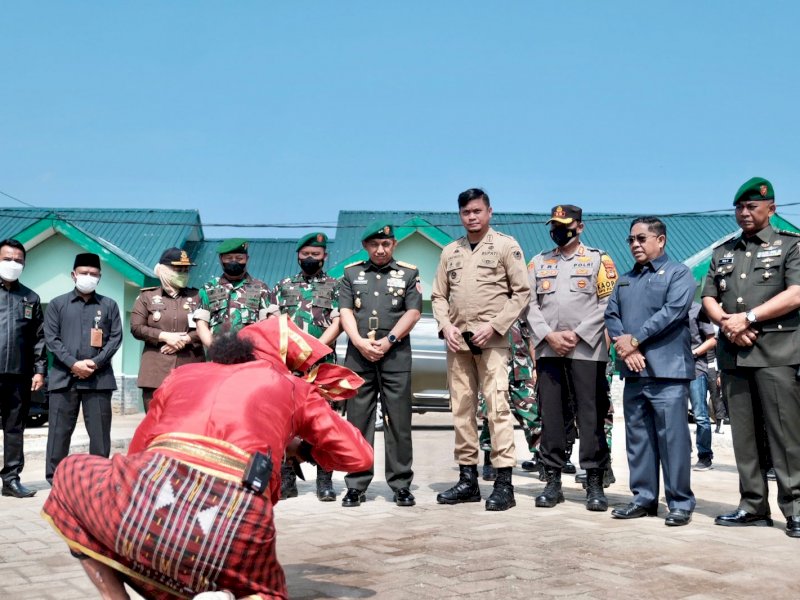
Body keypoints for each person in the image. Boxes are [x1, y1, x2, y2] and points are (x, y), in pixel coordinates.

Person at [42, 316, 373, 599]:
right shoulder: (294, 387)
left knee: (71, 472)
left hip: (145, 509)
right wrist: (308, 449)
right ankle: (223, 588)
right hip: (235, 524)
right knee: (265, 590)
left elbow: (138, 451)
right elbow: (358, 456)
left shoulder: (183, 375)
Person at [701, 177, 800, 538]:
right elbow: (708, 297)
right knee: (745, 437)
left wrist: (750, 317)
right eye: (739, 208)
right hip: (734, 355)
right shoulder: (723, 252)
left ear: (771, 209)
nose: (744, 213)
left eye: (752, 207)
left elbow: (796, 294)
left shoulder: (791, 246)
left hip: (776, 353)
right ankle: (753, 505)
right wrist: (728, 323)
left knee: (785, 436)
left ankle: (796, 508)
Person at [431, 188, 530, 511]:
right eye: (465, 213)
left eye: (477, 211)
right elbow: (438, 297)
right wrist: (446, 326)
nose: (471, 217)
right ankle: (467, 479)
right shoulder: (451, 252)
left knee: (497, 408)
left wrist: (496, 325)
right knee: (461, 410)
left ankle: (503, 483)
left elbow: (521, 293)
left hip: (493, 341)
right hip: (458, 343)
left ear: (489, 212)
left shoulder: (505, 246)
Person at [605, 216, 696, 527]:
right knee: (638, 439)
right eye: (631, 239)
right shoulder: (625, 279)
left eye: (641, 238)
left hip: (667, 372)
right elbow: (611, 315)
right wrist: (624, 345)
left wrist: (634, 340)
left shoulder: (678, 274)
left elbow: (672, 313)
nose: (635, 245)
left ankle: (679, 503)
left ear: (661, 240)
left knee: (673, 440)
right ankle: (643, 499)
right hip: (634, 373)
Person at [527, 204, 617, 512]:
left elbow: (608, 303)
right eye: (554, 224)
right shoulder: (538, 262)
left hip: (587, 350)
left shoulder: (598, 260)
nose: (558, 230)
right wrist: (549, 336)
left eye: (564, 224)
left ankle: (594, 480)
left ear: (579, 226)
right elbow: (528, 305)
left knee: (590, 417)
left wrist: (577, 335)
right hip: (549, 350)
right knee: (551, 415)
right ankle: (552, 481)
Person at [338, 222, 422, 507]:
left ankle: (400, 484)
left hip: (395, 355)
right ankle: (356, 484)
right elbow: (345, 311)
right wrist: (359, 342)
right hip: (359, 355)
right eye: (374, 244)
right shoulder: (351, 273)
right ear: (366, 246)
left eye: (386, 244)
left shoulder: (409, 273)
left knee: (398, 422)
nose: (380, 249)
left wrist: (390, 340)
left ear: (394, 245)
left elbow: (413, 311)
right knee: (358, 422)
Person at [271, 231, 342, 501]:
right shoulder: (283, 287)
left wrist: (315, 349)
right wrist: (293, 350)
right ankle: (288, 478)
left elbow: (338, 322)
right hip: (288, 367)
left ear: (325, 256)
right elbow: (275, 324)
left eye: (316, 254)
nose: (310, 258)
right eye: (305, 254)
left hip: (322, 367)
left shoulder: (335, 286)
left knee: (324, 423)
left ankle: (325, 479)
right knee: (287, 423)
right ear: (298, 256)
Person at [43, 252, 123, 485]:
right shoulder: (58, 304)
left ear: (100, 277)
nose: (89, 277)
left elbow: (115, 339)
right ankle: (56, 479)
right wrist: (73, 363)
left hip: (98, 380)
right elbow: (51, 339)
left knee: (99, 435)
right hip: (63, 378)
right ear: (73, 275)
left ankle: (99, 479)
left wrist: (95, 363)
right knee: (58, 432)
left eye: (94, 274)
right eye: (84, 273)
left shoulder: (109, 305)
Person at [130, 247, 204, 412]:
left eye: (186, 269)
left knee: (187, 424)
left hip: (190, 369)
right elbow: (136, 327)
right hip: (156, 372)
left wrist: (185, 339)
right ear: (163, 270)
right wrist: (164, 336)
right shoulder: (146, 297)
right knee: (154, 424)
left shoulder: (198, 296)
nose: (183, 273)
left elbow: (208, 326)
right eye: (178, 269)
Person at [0, 239, 46, 498]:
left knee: (15, 428)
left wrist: (39, 370)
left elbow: (38, 338)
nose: (13, 264)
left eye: (18, 260)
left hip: (19, 374)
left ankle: (11, 480)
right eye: (7, 259)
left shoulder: (30, 297)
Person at [478, 318, 540, 481]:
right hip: (493, 369)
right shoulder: (489, 308)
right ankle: (490, 462)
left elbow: (531, 339)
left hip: (521, 370)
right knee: (491, 415)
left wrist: (536, 366)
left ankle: (541, 459)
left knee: (533, 415)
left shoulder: (521, 311)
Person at [194, 238, 272, 347]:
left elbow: (269, 323)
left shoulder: (261, 288)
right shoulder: (208, 288)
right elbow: (201, 325)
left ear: (247, 259)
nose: (234, 261)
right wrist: (214, 349)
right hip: (216, 356)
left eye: (239, 258)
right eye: (229, 258)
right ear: (221, 260)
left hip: (250, 356)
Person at [687, 301, 717, 470]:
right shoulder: (669, 308)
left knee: (700, 414)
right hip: (673, 370)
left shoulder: (698, 309)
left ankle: (705, 455)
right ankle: (682, 452)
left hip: (696, 368)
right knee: (675, 414)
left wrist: (694, 353)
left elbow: (712, 340)